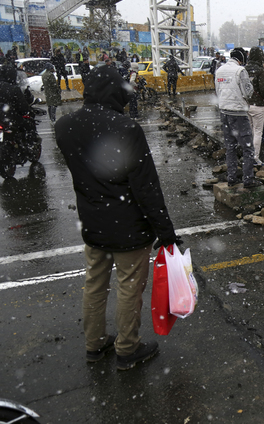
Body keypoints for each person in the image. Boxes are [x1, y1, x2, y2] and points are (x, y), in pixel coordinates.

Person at [55, 65, 179, 371]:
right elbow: (146, 187)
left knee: (94, 284)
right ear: (114, 91)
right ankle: (127, 348)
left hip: (92, 223)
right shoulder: (126, 128)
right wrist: (165, 232)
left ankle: (94, 345)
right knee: (128, 288)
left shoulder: (65, 126)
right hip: (129, 227)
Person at [214, 48, 261, 189]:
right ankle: (248, 180)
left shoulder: (219, 70)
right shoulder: (240, 71)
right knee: (247, 148)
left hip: (224, 112)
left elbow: (217, 90)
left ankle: (232, 178)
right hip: (239, 113)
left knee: (230, 147)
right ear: (241, 59)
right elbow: (248, 92)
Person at [245, 47, 264, 166]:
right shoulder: (260, 70)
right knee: (258, 132)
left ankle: (248, 156)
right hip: (258, 104)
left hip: (246, 104)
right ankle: (255, 157)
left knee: (249, 132)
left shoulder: (244, 69)